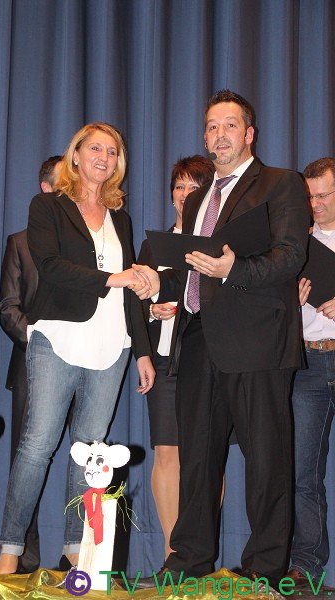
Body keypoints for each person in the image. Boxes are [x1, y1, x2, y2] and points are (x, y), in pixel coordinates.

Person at [130, 90, 309, 587]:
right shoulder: (198, 197)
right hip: (197, 339)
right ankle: (189, 560)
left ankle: (265, 568)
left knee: (266, 459)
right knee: (198, 458)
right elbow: (190, 270)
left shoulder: (280, 183)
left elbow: (291, 255)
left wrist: (235, 270)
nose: (219, 134)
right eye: (211, 126)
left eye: (229, 125)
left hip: (258, 340)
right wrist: (157, 284)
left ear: (249, 134)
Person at [0, 122, 155, 574]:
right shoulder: (48, 206)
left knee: (90, 453)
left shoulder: (120, 217)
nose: (104, 157)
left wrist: (142, 350)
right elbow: (51, 266)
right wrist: (117, 277)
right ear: (77, 156)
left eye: (112, 151)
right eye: (95, 149)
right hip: (58, 338)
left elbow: (129, 292)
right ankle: (9, 550)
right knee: (37, 445)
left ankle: (75, 550)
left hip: (112, 345)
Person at [138, 156, 214, 559]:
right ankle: (173, 554)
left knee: (206, 457)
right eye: (179, 186)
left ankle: (197, 552)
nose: (185, 194)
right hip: (165, 361)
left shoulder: (219, 243)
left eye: (194, 187)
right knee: (166, 452)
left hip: (208, 361)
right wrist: (152, 311)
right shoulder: (155, 244)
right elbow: (134, 301)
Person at [0, 155, 62, 573]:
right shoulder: (20, 242)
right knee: (27, 461)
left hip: (87, 364)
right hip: (32, 364)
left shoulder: (94, 240)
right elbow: (8, 308)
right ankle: (24, 556)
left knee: (86, 460)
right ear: (45, 188)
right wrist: (43, 345)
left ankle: (80, 555)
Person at [288, 157, 335, 588]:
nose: (315, 204)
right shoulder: (295, 244)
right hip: (308, 363)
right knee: (303, 472)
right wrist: (291, 300)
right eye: (309, 197)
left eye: (323, 195)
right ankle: (306, 566)